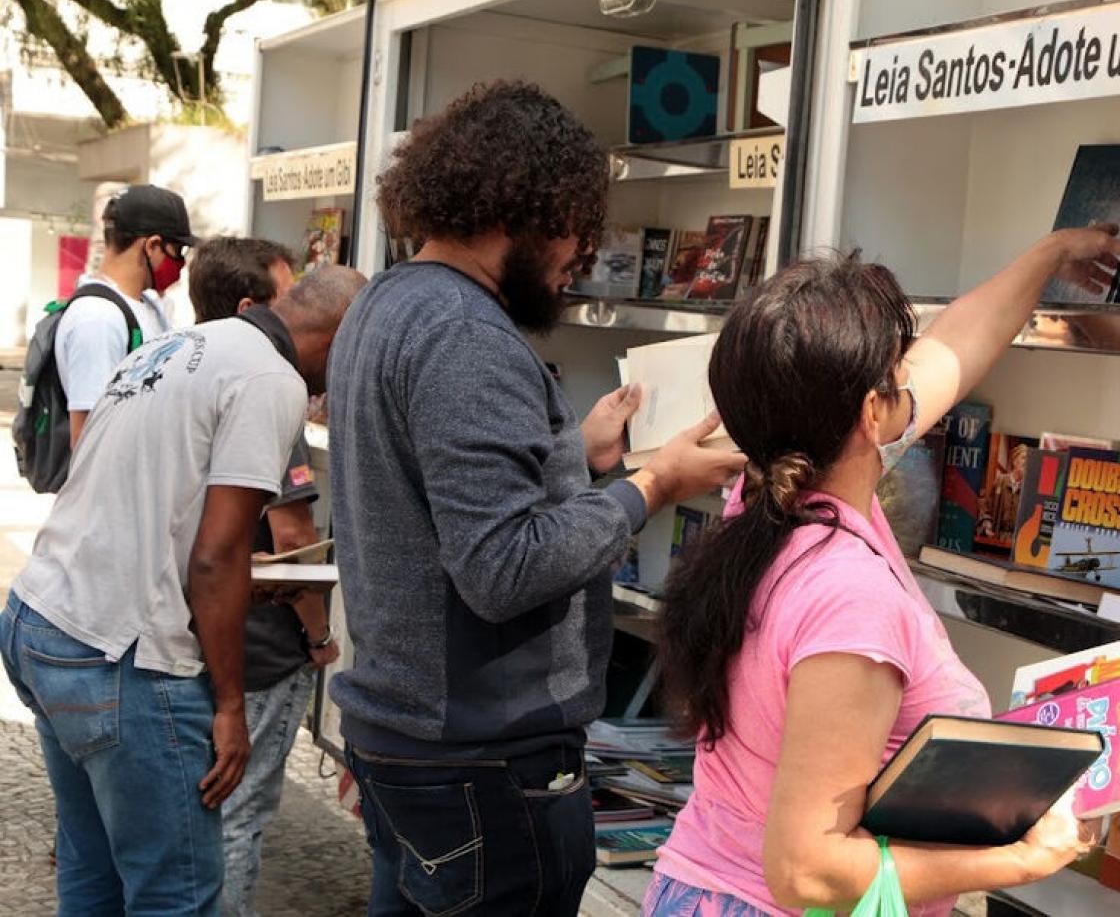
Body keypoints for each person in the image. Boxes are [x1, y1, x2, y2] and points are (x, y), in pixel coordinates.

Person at [328, 80, 745, 916]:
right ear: (519, 208)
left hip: (411, 740)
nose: (575, 258)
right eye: (572, 231)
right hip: (483, 766)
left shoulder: (387, 302)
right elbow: (501, 567)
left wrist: (568, 458)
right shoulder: (467, 338)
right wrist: (652, 483)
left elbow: (430, 497)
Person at [646, 229, 1120, 916]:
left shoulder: (761, 502)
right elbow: (808, 871)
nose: (913, 380)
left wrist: (1049, 258)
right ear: (873, 412)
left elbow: (954, 349)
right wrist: (1019, 859)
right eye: (896, 372)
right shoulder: (849, 594)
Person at [0, 265, 365, 915]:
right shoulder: (269, 379)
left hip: (41, 620)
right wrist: (229, 707)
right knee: (178, 898)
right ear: (339, 342)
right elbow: (217, 556)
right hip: (120, 660)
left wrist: (239, 585)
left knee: (93, 873)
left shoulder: (178, 346)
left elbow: (148, 516)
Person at [189, 237, 344, 916]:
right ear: (254, 307)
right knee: (238, 815)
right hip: (257, 649)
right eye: (290, 297)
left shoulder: (190, 366)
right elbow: (294, 537)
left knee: (201, 812)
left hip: (195, 640)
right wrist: (317, 636)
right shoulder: (270, 386)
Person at [60, 184, 196, 449]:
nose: (180, 263)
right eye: (178, 251)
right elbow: (88, 438)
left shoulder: (145, 305)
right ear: (153, 246)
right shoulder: (98, 318)